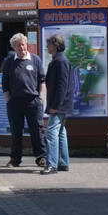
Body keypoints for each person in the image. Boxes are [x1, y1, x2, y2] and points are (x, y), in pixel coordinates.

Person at [1, 32, 47, 169]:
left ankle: (41, 158)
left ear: (27, 44)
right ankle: (15, 160)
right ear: (14, 48)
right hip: (15, 102)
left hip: (33, 101)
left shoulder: (35, 60)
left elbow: (42, 81)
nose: (22, 48)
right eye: (18, 46)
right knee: (16, 131)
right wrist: (8, 99)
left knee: (37, 130)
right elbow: (4, 82)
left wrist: (40, 98)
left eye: (23, 44)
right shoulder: (9, 62)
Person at [42, 34, 74, 175]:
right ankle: (63, 162)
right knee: (61, 133)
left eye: (48, 44)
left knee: (51, 133)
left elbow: (62, 86)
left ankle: (52, 165)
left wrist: (55, 105)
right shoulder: (59, 60)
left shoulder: (60, 61)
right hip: (61, 104)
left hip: (58, 105)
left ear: (55, 45)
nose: (46, 46)